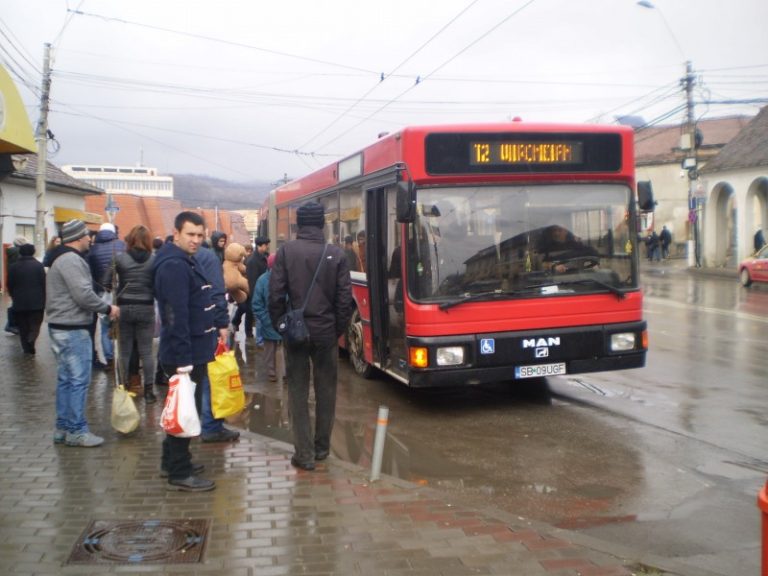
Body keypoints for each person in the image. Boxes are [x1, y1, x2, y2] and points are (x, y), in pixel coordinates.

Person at [268, 201, 353, 470]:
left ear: (298, 225)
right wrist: (336, 330)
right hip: (326, 332)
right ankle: (322, 448)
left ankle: (303, 454)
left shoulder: (286, 252)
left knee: (297, 391)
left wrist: (281, 325)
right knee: (326, 390)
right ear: (322, 224)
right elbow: (344, 301)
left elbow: (275, 294)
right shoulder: (336, 254)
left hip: (295, 331)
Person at [154, 211, 226, 491]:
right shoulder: (174, 265)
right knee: (185, 409)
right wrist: (183, 360)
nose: (195, 240)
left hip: (190, 349)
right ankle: (180, 471)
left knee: (182, 407)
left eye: (199, 235)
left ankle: (171, 461)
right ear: (177, 234)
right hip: (184, 353)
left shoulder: (183, 259)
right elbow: (175, 316)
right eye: (190, 235)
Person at [46, 219, 120, 447]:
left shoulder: (60, 258)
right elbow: (83, 295)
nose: (90, 238)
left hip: (61, 326)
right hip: (72, 328)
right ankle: (76, 430)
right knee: (78, 380)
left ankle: (63, 428)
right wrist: (107, 308)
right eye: (87, 235)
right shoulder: (71, 260)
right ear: (78, 237)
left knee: (66, 379)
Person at [193, 235, 241, 444]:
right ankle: (211, 426)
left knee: (192, 377)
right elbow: (216, 291)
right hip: (208, 325)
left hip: (184, 328)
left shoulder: (173, 255)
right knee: (212, 376)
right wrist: (222, 323)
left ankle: (192, 421)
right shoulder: (209, 258)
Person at [114, 225, 157, 403]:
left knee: (124, 351)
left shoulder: (119, 258)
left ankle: (124, 387)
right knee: (146, 352)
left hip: (124, 307)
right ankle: (149, 392)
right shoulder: (154, 260)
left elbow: (105, 281)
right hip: (146, 307)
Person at [88, 222, 126, 368]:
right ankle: (122, 358)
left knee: (104, 326)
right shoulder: (122, 245)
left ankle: (109, 359)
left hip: (101, 291)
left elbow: (90, 273)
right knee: (122, 325)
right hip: (121, 290)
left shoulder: (93, 249)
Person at [7, 243, 46, 354]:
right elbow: (43, 283)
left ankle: (27, 348)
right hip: (37, 301)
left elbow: (10, 284)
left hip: (19, 301)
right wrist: (44, 297)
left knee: (23, 326)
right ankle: (32, 338)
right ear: (33, 252)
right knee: (35, 324)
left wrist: (13, 295)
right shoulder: (39, 266)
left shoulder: (13, 267)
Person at [252, 253, 282, 381]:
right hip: (271, 320)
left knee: (285, 349)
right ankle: (271, 372)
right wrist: (265, 318)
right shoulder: (263, 280)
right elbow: (257, 303)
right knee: (270, 348)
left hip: (282, 320)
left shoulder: (285, 277)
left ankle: (284, 373)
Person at [245, 236, 270, 344]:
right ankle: (258, 340)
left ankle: (260, 338)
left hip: (263, 291)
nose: (267, 247)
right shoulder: (252, 261)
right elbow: (252, 281)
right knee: (257, 316)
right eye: (266, 245)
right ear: (260, 246)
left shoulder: (265, 256)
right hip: (257, 293)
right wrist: (256, 296)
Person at [4, 236, 28, 335]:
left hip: (14, 282)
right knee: (18, 304)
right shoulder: (19, 253)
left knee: (16, 303)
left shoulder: (12, 252)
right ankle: (11, 324)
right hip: (20, 282)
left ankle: (14, 324)